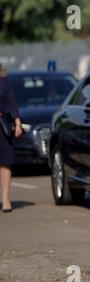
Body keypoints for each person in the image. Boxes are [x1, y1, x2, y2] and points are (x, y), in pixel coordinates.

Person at [0, 64, 23, 212]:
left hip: (2, 126)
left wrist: (17, 123)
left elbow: (12, 102)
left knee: (5, 163)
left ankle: (6, 199)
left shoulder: (4, 81)